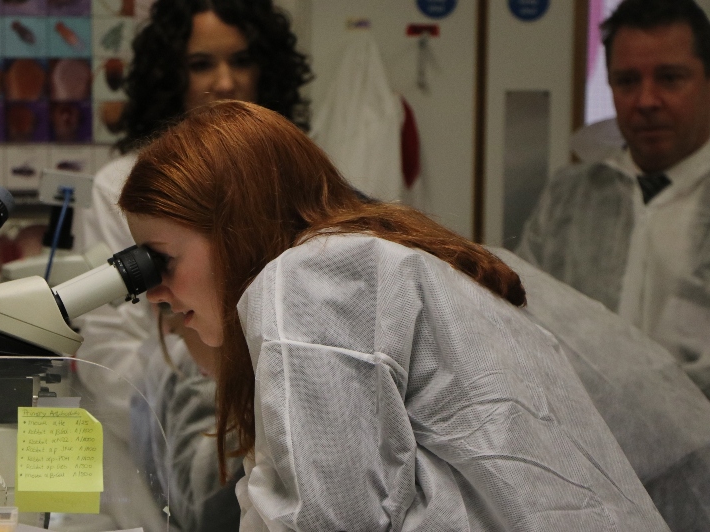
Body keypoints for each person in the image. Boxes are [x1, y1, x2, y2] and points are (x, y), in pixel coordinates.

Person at [117, 99, 669, 531]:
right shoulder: (365, 261)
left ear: (235, 226)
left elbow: (328, 522)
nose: (156, 293)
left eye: (161, 261)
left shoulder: (308, 278)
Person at [70, 1, 312, 529]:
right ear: (170, 74)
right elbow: (114, 356)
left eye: (241, 60)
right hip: (162, 455)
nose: (225, 81)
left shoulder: (290, 173)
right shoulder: (125, 189)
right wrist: (205, 430)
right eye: (202, 63)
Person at [517, 0, 710, 396]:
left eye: (671, 78)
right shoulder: (569, 198)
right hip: (582, 445)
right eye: (626, 81)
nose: (646, 101)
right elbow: (521, 322)